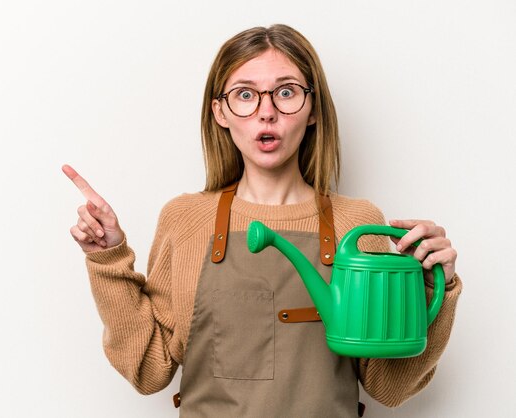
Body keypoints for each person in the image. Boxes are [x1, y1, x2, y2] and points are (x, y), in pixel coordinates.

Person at [63, 24, 461, 417]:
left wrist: (434, 286)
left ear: (313, 110)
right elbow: (149, 371)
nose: (266, 113)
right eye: (245, 95)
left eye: (286, 92)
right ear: (220, 111)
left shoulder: (356, 226)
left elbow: (389, 388)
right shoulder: (185, 219)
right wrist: (108, 259)